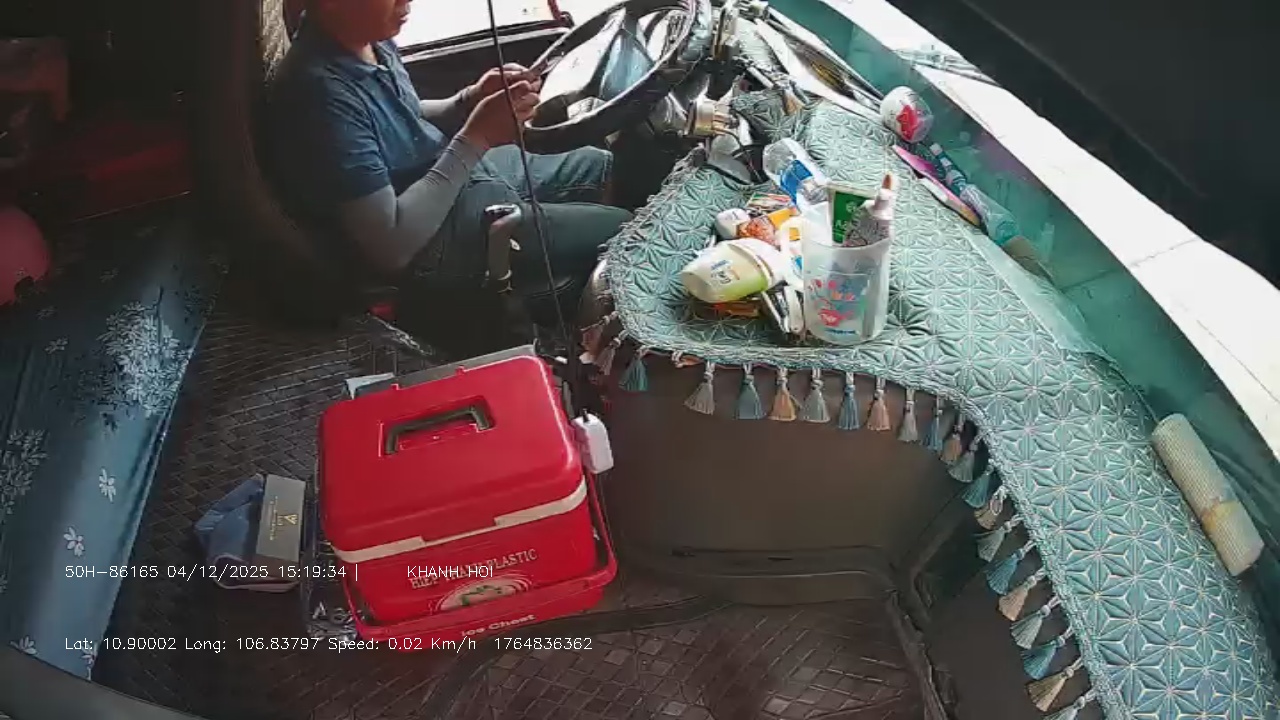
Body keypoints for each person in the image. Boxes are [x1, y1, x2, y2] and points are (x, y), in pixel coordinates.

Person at [266, 0, 632, 312]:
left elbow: (403, 116)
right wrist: (477, 137)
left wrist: (467, 101)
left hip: (450, 175)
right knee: (626, 231)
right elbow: (391, 246)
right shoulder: (319, 98)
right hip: (427, 241)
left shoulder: (365, 36)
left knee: (599, 165)